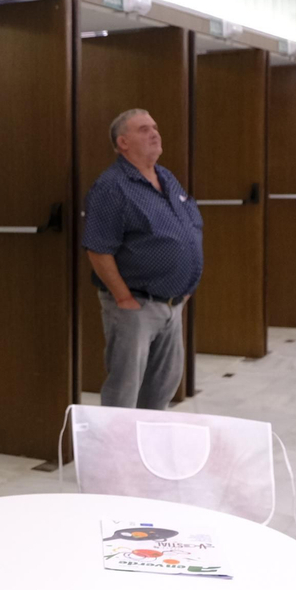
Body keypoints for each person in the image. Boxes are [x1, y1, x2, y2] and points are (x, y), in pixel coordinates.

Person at [82, 108, 203, 410]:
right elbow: (98, 248)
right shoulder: (112, 187)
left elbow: (189, 226)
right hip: (135, 304)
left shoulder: (166, 177)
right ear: (123, 142)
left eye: (155, 127)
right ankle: (115, 441)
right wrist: (123, 298)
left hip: (172, 303)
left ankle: (148, 439)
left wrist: (185, 288)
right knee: (125, 389)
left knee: (163, 387)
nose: (154, 133)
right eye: (143, 129)